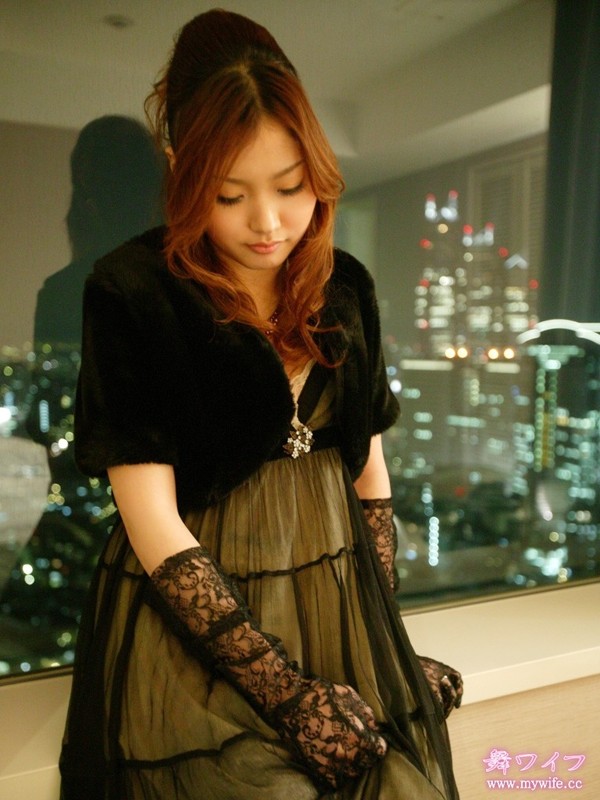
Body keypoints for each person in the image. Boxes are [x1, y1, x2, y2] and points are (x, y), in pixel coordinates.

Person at [59, 9, 463, 800]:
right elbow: (150, 518)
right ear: (182, 172)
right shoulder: (133, 291)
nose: (268, 222)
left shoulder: (345, 288)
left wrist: (382, 645)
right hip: (197, 632)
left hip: (335, 611)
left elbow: (369, 474)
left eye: (290, 187)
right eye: (229, 194)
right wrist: (286, 693)